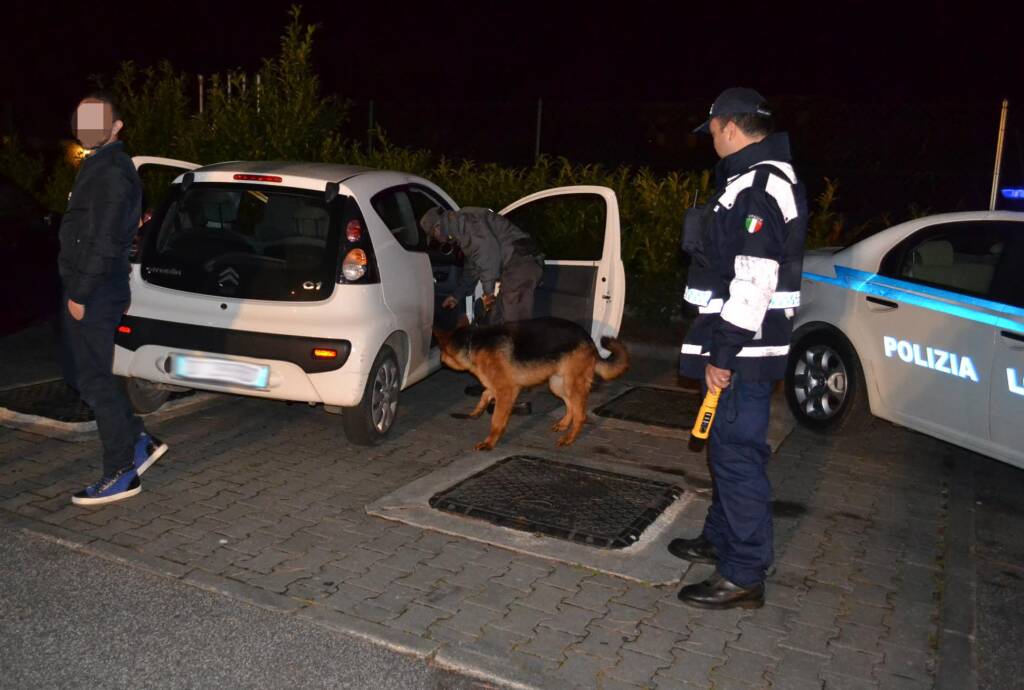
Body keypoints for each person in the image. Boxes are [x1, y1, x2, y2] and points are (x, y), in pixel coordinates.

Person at [671, 88, 807, 609]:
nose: (710, 142)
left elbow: (754, 282)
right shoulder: (754, 179)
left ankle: (745, 573)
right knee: (724, 450)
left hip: (744, 350)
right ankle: (720, 539)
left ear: (728, 127)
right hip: (741, 345)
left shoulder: (759, 187)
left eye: (711, 132)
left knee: (737, 457)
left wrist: (722, 355)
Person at [60, 93, 168, 506]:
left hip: (94, 289)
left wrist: (81, 293)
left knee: (92, 379)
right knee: (81, 373)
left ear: (117, 126)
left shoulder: (111, 172)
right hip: (92, 286)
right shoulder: (99, 164)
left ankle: (122, 471)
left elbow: (104, 240)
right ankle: (138, 440)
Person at [419, 206, 544, 325]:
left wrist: (488, 295)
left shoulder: (467, 222)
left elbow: (489, 258)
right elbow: (472, 268)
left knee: (514, 325)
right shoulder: (462, 228)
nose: (439, 240)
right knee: (496, 319)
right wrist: (456, 296)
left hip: (521, 263)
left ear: (438, 227)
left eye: (434, 236)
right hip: (516, 267)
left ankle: (521, 346)